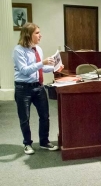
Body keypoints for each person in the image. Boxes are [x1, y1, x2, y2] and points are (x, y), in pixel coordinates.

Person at [13, 23, 64, 155]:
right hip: (23, 88)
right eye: (37, 33)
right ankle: (27, 144)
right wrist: (43, 62)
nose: (40, 35)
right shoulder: (18, 50)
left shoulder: (38, 49)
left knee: (45, 116)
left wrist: (54, 68)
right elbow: (25, 70)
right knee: (25, 118)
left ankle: (44, 142)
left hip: (39, 87)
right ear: (28, 35)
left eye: (39, 32)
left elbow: (39, 68)